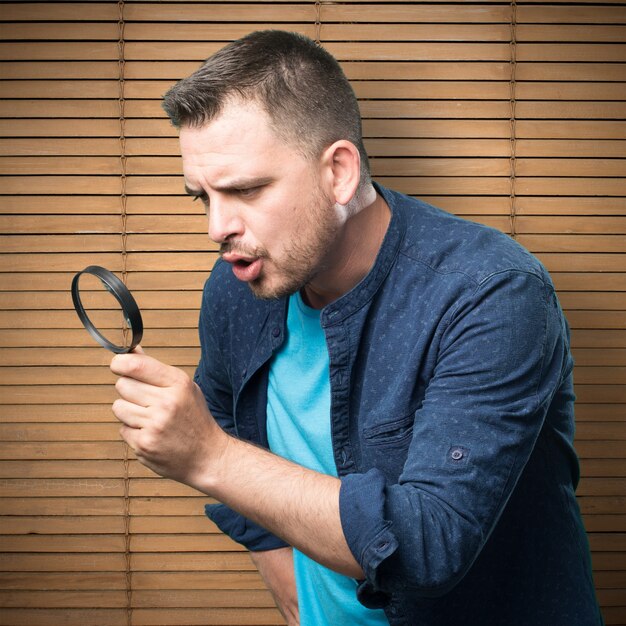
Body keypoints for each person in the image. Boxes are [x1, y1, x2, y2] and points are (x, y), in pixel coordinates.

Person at [110, 30, 603, 625]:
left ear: (339, 172)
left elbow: (429, 546)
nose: (217, 226)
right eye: (201, 198)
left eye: (244, 190)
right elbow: (232, 426)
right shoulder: (237, 287)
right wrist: (290, 588)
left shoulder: (492, 292)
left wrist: (209, 458)